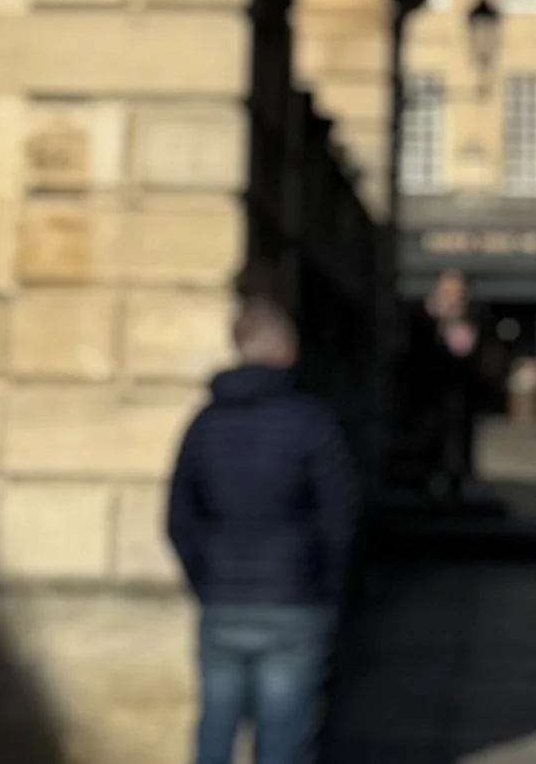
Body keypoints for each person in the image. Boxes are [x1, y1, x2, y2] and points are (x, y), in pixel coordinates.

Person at [166, 293, 356, 764]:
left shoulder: (204, 424)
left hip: (224, 596)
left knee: (215, 724)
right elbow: (340, 517)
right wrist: (325, 585)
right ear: (285, 350)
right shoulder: (312, 422)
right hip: (294, 596)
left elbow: (178, 518)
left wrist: (205, 577)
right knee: (285, 732)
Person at [398, 267, 481, 494]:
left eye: (458, 292)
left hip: (458, 402)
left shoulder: (470, 320)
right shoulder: (421, 318)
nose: (454, 297)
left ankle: (458, 481)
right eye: (448, 291)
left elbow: (471, 359)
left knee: (456, 445)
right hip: (427, 398)